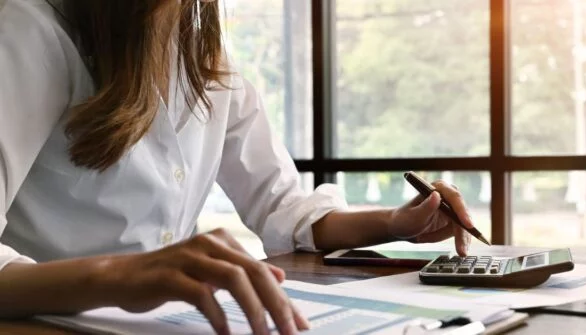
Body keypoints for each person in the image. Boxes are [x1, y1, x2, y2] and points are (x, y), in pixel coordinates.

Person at [0, 1, 475, 334]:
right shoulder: (28, 30)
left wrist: (396, 222)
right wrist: (122, 275)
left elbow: (283, 208)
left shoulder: (206, 63)